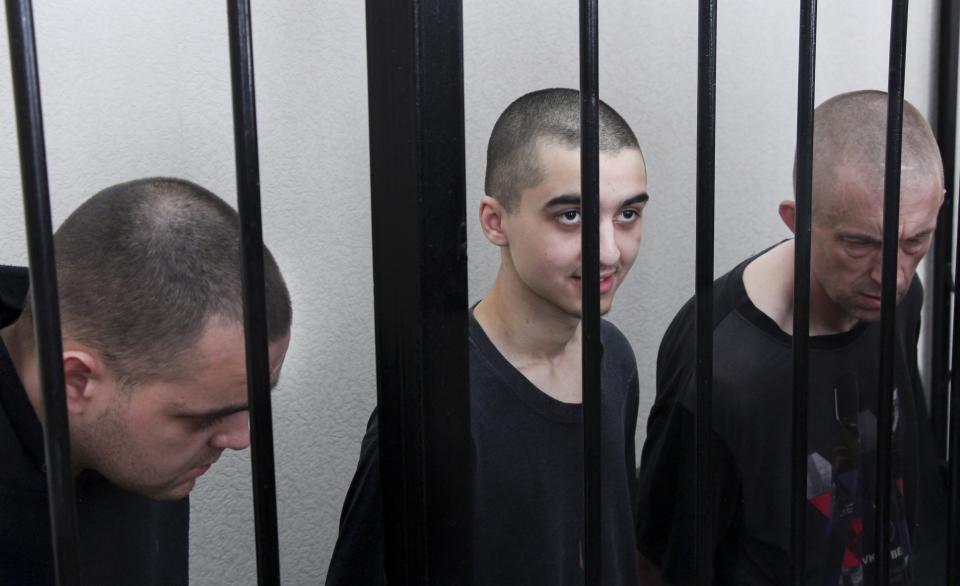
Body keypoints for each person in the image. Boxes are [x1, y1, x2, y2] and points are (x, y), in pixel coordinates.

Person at [326, 88, 649, 584]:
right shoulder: (434, 405)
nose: (609, 251)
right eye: (571, 215)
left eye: (627, 214)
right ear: (495, 222)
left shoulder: (613, 359)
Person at [635, 90, 947, 585]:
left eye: (916, 241)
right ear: (796, 220)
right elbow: (660, 562)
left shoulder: (903, 302)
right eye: (861, 243)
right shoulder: (721, 363)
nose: (894, 275)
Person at [0, 177, 293, 585]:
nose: (242, 438)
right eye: (204, 418)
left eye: (252, 402)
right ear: (73, 380)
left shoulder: (125, 351)